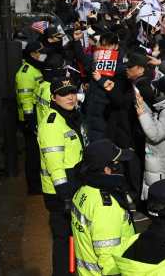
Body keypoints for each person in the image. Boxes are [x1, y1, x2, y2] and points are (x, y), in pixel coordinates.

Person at [38, 77, 84, 276]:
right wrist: (65, 195)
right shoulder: (51, 124)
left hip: (72, 184)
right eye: (64, 94)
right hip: (60, 191)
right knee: (63, 239)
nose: (70, 97)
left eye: (72, 92)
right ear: (53, 97)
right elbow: (55, 165)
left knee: (72, 236)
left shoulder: (70, 116)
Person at [71, 139, 136, 276]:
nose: (121, 167)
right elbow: (109, 261)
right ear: (107, 170)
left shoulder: (83, 190)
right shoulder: (106, 207)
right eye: (117, 163)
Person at [15, 41, 45, 194]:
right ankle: (33, 187)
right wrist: (30, 122)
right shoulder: (26, 73)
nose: (42, 55)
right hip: (30, 120)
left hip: (36, 118)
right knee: (32, 154)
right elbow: (26, 100)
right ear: (33, 54)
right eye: (40, 52)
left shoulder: (33, 69)